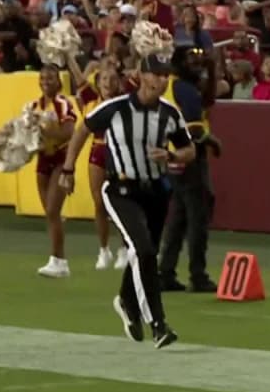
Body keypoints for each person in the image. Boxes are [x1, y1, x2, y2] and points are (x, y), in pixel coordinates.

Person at [59, 54, 195, 350]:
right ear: (142, 76)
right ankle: (158, 324)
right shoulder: (116, 108)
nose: (161, 80)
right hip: (121, 189)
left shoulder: (170, 113)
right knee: (142, 250)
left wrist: (171, 156)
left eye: (165, 75)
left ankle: (126, 300)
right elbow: (83, 128)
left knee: (147, 253)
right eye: (156, 75)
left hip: (157, 190)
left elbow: (189, 150)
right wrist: (68, 168)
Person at [159, 45, 221, 293]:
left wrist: (213, 69)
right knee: (198, 216)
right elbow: (194, 128)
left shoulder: (172, 86)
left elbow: (208, 99)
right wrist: (211, 140)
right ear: (178, 63)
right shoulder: (184, 89)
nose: (197, 63)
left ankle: (165, 272)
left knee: (178, 217)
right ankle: (198, 274)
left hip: (172, 157)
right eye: (191, 59)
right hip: (190, 157)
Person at [68, 55, 128, 271]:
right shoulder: (92, 99)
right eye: (104, 79)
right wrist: (67, 53)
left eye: (112, 80)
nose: (108, 83)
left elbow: (141, 70)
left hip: (120, 152)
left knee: (121, 202)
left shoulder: (125, 99)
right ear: (98, 81)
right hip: (98, 149)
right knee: (99, 203)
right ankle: (104, 250)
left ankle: (124, 249)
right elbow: (77, 76)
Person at [31, 66, 78, 278]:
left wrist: (46, 130)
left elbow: (68, 133)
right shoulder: (35, 105)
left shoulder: (63, 104)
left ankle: (59, 260)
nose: (45, 81)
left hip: (60, 159)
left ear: (58, 81)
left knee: (52, 211)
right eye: (42, 78)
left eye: (50, 78)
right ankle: (57, 260)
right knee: (50, 214)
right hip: (42, 161)